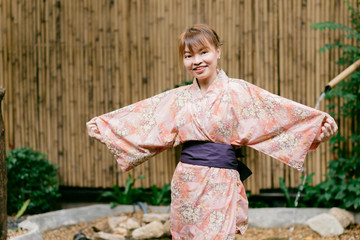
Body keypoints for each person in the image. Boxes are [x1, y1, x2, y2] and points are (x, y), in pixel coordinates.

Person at [87, 24, 337, 239]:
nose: (196, 61)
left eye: (203, 52)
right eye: (188, 56)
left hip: (220, 183)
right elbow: (145, 120)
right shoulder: (179, 98)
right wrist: (108, 129)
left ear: (218, 51)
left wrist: (316, 129)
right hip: (186, 183)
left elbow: (277, 115)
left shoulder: (239, 92)